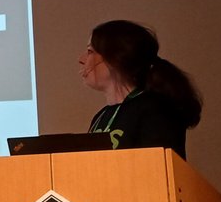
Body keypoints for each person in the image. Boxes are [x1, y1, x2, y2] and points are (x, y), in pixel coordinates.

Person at [78, 19, 202, 158]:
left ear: (115, 58)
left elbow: (157, 165)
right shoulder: (101, 116)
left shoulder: (155, 109)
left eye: (90, 51)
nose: (81, 59)